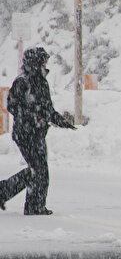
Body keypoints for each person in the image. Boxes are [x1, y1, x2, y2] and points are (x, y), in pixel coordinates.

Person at [0, 47, 76, 215]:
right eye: (43, 61)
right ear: (35, 63)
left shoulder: (42, 82)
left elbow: (47, 109)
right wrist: (31, 117)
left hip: (38, 132)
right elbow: (13, 106)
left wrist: (60, 120)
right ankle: (22, 199)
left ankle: (29, 203)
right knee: (38, 170)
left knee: (38, 170)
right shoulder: (22, 82)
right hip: (25, 133)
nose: (45, 64)